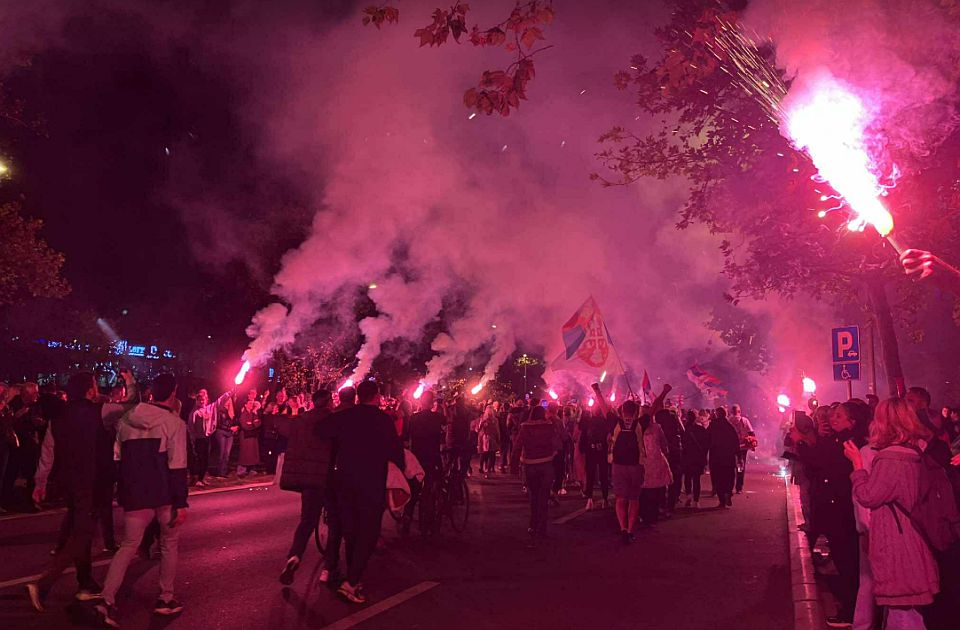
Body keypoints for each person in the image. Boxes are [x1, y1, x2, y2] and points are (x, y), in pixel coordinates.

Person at [25, 370, 136, 613]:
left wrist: (40, 482)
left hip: (69, 481)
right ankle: (44, 583)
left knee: (81, 531)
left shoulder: (58, 417)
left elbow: (47, 452)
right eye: (94, 385)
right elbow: (130, 406)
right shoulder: (100, 411)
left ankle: (85, 582)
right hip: (93, 480)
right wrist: (129, 381)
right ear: (89, 390)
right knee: (82, 534)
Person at [95, 373, 190, 626]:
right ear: (173, 392)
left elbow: (118, 458)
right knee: (169, 545)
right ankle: (165, 599)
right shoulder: (174, 423)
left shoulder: (126, 419)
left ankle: (106, 599)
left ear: (151, 392)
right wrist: (181, 502)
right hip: (165, 494)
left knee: (128, 545)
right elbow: (177, 466)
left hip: (136, 492)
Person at [844, 398, 940, 629]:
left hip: (895, 538)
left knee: (901, 609)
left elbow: (868, 496)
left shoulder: (891, 458)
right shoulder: (916, 451)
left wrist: (857, 465)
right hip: (913, 534)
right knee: (906, 607)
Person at [315, 380, 403, 604]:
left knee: (351, 530)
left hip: (344, 481)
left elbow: (320, 430)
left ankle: (352, 576)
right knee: (369, 532)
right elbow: (396, 451)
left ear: (358, 397)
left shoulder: (346, 416)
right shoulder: (383, 420)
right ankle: (351, 582)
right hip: (371, 482)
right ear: (376, 396)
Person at [278, 389, 335, 585]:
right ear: (329, 402)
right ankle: (329, 567)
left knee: (307, 520)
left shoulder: (301, 420)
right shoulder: (332, 420)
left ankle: (295, 555)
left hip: (307, 478)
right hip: (326, 477)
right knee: (335, 522)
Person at [513, 405, 560, 546]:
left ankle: (533, 524)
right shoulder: (549, 427)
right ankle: (542, 527)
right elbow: (558, 443)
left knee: (534, 496)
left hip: (530, 464)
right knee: (544, 497)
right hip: (546, 464)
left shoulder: (525, 428)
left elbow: (517, 446)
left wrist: (513, 465)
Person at [405, 390, 445, 535]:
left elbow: (407, 437)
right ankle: (426, 523)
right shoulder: (437, 417)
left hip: (416, 457)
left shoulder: (413, 418)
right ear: (432, 402)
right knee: (430, 488)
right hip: (432, 457)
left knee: (413, 491)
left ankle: (407, 520)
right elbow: (447, 423)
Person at [187, 389, 230, 487]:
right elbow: (191, 427)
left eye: (203, 400)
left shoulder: (209, 408)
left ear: (206, 400)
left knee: (206, 459)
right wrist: (192, 439)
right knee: (199, 459)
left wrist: (229, 392)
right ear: (197, 401)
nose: (202, 401)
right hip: (198, 439)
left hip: (207, 438)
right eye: (200, 400)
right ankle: (197, 479)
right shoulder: (195, 413)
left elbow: (219, 402)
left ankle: (202, 478)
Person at [640, 404, 673, 527]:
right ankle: (646, 516)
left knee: (651, 492)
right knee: (647, 492)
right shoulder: (639, 427)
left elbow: (663, 443)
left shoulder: (656, 427)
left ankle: (650, 517)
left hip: (654, 463)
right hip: (645, 463)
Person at [580, 406, 612, 510]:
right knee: (603, 474)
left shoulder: (588, 422)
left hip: (590, 450)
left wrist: (583, 449)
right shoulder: (605, 422)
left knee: (590, 474)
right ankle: (605, 499)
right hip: (602, 450)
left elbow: (583, 435)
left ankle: (589, 499)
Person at [707, 406, 739, 508]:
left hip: (716, 456)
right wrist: (738, 456)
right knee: (729, 477)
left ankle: (722, 500)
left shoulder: (713, 425)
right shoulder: (730, 426)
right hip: (728, 457)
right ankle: (728, 493)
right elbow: (736, 441)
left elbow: (706, 438)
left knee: (718, 478)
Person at [681, 410, 708, 508]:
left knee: (687, 477)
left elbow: (682, 443)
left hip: (687, 456)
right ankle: (696, 500)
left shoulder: (684, 429)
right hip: (697, 457)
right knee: (696, 479)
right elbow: (705, 444)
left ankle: (689, 495)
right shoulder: (701, 429)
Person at [730, 404, 755, 494]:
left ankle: (730, 486)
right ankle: (739, 487)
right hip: (742, 447)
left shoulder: (728, 420)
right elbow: (751, 433)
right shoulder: (744, 420)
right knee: (740, 466)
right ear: (739, 411)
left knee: (731, 466)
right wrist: (752, 443)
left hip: (731, 447)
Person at [236, 388, 261, 477]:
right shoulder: (244, 413)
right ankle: (241, 470)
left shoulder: (254, 413)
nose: (251, 405)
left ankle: (251, 469)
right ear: (245, 405)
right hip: (245, 436)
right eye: (249, 404)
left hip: (252, 436)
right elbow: (244, 425)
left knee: (253, 453)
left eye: (252, 404)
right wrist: (253, 425)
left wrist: (252, 424)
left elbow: (258, 423)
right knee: (245, 452)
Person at [212, 394, 237, 478]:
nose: (228, 402)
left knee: (227, 453)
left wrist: (236, 427)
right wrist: (230, 428)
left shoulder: (231, 411)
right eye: (227, 400)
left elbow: (235, 421)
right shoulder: (220, 411)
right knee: (221, 453)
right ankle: (219, 472)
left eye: (229, 400)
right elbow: (218, 424)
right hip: (221, 432)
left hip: (230, 433)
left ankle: (223, 472)